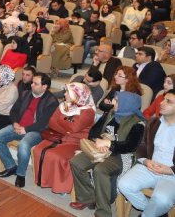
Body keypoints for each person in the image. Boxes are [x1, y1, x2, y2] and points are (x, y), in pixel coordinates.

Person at [69, 91, 146, 216]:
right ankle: (88, 198)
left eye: (117, 100)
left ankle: (103, 212)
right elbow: (94, 132)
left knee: (100, 170)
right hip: (100, 149)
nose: (113, 102)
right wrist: (98, 141)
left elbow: (130, 146)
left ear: (127, 104)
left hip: (120, 155)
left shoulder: (137, 123)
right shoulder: (111, 113)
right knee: (76, 162)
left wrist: (110, 145)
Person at [0, 72, 58, 188]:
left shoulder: (51, 101)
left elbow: (44, 123)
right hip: (19, 126)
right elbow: (13, 111)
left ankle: (21, 174)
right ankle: (11, 166)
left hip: (36, 131)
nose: (32, 85)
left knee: (23, 145)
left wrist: (26, 129)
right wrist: (15, 123)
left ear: (44, 87)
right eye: (32, 82)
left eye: (35, 83)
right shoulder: (25, 94)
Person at [118, 89, 175, 217]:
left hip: (172, 175)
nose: (161, 103)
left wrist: (169, 170)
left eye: (168, 101)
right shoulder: (154, 122)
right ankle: (154, 212)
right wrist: (145, 160)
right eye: (164, 99)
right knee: (124, 184)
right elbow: (142, 146)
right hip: (150, 166)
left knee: (162, 199)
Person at [32, 83, 96, 193]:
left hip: (76, 142)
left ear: (77, 95)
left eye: (67, 92)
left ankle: (60, 186)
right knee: (38, 149)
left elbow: (74, 128)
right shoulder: (64, 105)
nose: (64, 94)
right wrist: (66, 125)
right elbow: (52, 122)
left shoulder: (88, 111)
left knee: (54, 155)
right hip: (59, 137)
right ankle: (44, 180)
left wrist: (61, 119)